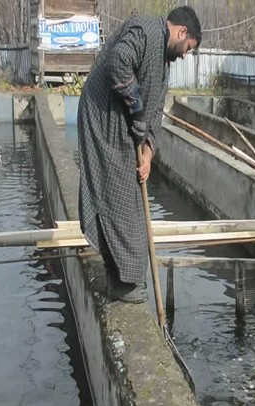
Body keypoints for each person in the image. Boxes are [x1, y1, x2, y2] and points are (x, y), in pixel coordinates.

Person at [77, 7, 202, 303]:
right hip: (102, 119)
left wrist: (148, 152)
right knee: (118, 199)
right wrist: (136, 110)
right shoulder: (144, 29)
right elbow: (117, 62)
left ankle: (123, 277)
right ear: (182, 32)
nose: (185, 55)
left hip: (125, 132)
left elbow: (155, 113)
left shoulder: (164, 64)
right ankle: (123, 282)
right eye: (188, 48)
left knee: (129, 201)